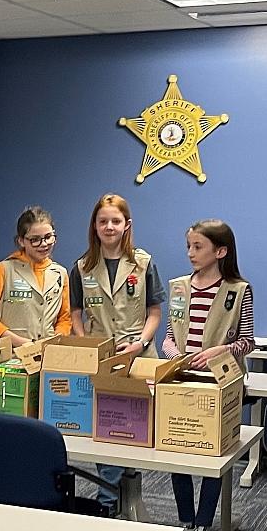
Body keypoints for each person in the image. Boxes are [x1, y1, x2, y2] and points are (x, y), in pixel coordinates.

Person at [70, 193, 166, 513]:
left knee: (136, 428)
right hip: (102, 357)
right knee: (107, 426)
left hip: (139, 354)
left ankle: (127, 491)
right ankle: (109, 501)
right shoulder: (82, 267)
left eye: (115, 221)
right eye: (102, 221)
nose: (109, 227)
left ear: (127, 225)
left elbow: (155, 311)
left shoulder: (144, 262)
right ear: (94, 227)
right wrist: (86, 345)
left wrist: (140, 342)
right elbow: (75, 314)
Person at [161, 219, 255, 531]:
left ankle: (203, 523)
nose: (190, 253)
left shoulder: (239, 290)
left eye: (197, 247)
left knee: (213, 454)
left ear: (220, 251)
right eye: (188, 245)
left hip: (219, 384)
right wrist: (177, 356)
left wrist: (220, 351)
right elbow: (169, 338)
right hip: (182, 381)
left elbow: (247, 341)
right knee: (177, 449)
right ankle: (186, 520)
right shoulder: (178, 287)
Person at [0, 206, 71, 347]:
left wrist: (56, 340)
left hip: (49, 356)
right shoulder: (4, 270)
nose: (44, 244)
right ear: (21, 241)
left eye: (48, 237)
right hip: (11, 357)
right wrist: (21, 343)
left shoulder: (60, 274)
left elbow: (64, 319)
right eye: (35, 239)